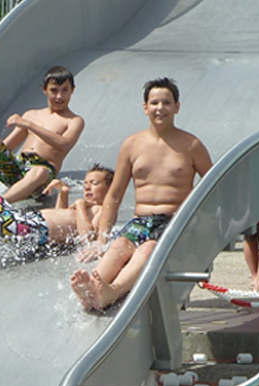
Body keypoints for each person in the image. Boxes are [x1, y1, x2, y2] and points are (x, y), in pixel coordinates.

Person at [71, 78, 212, 312]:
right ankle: (92, 287)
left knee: (147, 249)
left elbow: (212, 185)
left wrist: (203, 229)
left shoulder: (191, 145)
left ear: (177, 107)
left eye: (166, 102)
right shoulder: (132, 145)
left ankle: (111, 290)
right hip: (140, 220)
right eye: (154, 103)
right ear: (145, 107)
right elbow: (114, 194)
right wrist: (102, 239)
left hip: (172, 221)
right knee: (120, 246)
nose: (160, 108)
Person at [0, 66, 85, 206]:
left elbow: (64, 144)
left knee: (40, 171)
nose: (59, 96)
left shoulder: (74, 121)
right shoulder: (31, 115)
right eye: (54, 90)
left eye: (65, 90)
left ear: (72, 90)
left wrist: (29, 125)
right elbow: (5, 148)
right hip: (17, 168)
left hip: (40, 177)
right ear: (44, 90)